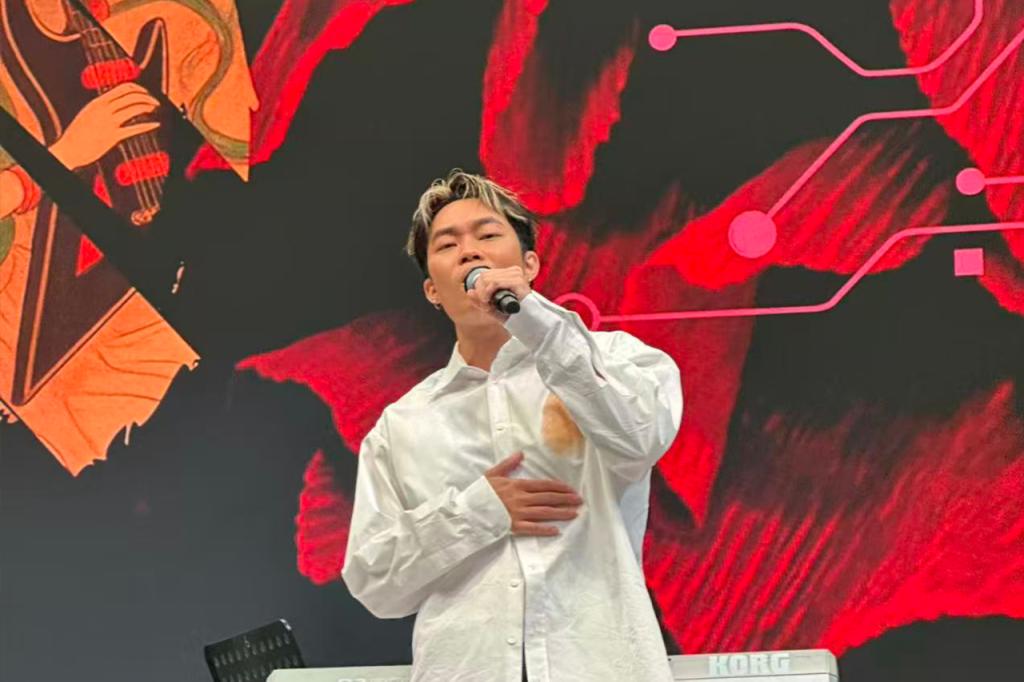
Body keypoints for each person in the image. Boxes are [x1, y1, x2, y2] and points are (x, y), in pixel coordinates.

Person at [341, 170, 683, 681]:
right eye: (448, 244)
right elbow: (375, 582)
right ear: (433, 290)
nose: (469, 252)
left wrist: (534, 321)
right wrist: (476, 512)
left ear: (529, 265)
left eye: (487, 234)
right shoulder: (403, 424)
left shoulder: (614, 361)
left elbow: (639, 438)